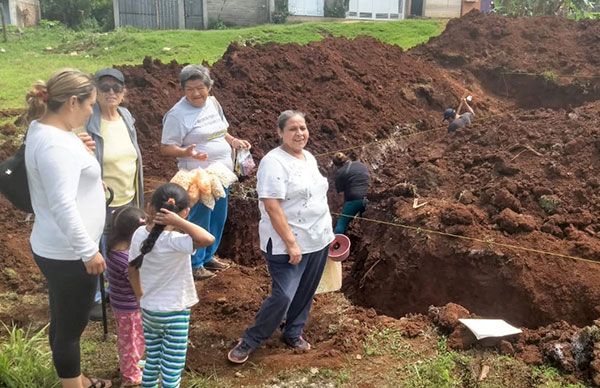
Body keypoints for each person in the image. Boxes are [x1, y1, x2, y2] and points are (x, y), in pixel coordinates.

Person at [24, 68, 112, 388]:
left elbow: (64, 177)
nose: (93, 110)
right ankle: (74, 384)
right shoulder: (55, 145)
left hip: (57, 247)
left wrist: (80, 148)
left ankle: (77, 379)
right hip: (69, 253)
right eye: (90, 104)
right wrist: (88, 251)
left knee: (62, 320)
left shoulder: (47, 130)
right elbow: (62, 205)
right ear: (73, 102)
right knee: (71, 329)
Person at [227, 110, 334, 364]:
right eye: (292, 129)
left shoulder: (308, 157)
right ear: (280, 133)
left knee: (306, 290)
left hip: (318, 237)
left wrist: (327, 233)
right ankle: (252, 339)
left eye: (303, 128)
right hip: (288, 242)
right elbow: (272, 206)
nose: (299, 133)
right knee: (284, 294)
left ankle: (293, 331)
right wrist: (291, 243)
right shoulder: (273, 162)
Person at [161, 64, 251, 280]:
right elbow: (165, 147)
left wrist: (233, 140)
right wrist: (186, 152)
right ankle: (194, 262)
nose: (196, 93)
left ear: (209, 87)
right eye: (190, 89)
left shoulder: (213, 103)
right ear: (183, 89)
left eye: (200, 87)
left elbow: (221, 132)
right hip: (197, 176)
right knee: (200, 217)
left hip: (221, 174)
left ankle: (209, 255)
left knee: (219, 216)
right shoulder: (177, 115)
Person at [128, 183, 215, 387]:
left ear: (150, 207)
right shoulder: (177, 241)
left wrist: (140, 296)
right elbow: (208, 238)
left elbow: (132, 270)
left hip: (149, 309)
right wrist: (179, 222)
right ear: (186, 212)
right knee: (171, 370)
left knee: (153, 361)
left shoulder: (139, 234)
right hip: (175, 312)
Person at [81, 68, 144, 320]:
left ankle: (112, 287)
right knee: (99, 244)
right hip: (101, 198)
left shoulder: (126, 117)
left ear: (123, 92)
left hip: (127, 194)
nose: (111, 93)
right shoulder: (89, 120)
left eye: (116, 88)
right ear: (95, 90)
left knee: (120, 244)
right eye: (104, 88)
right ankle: (95, 297)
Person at [105, 206, 147, 386]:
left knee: (134, 337)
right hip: (129, 307)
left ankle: (133, 363)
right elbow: (136, 283)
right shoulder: (126, 260)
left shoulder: (113, 247)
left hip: (120, 303)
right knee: (130, 340)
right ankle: (130, 376)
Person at [332, 152, 370, 234]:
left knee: (342, 223)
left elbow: (340, 192)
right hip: (369, 198)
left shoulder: (340, 172)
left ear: (337, 165)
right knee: (368, 223)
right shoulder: (361, 164)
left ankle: (337, 243)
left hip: (353, 200)